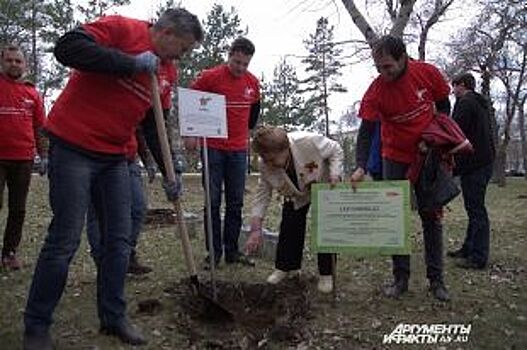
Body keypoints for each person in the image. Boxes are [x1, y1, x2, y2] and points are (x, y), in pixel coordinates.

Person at [23, 9, 203, 350]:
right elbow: (67, 48)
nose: (184, 55)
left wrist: (170, 174)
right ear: (166, 32)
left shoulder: (166, 71)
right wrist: (130, 62)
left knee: (119, 241)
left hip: (116, 156)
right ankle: (36, 325)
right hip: (73, 145)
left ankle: (113, 316)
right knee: (64, 240)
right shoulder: (121, 28)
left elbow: (154, 126)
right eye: (184, 47)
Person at [351, 35, 452, 302]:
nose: (383, 73)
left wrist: (435, 137)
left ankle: (436, 280)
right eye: (378, 68)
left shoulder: (428, 73)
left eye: (388, 67)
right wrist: (361, 165)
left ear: (403, 57)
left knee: (431, 215)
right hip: (393, 157)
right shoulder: (376, 91)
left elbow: (443, 106)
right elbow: (366, 132)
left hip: (428, 154)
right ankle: (400, 278)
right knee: (395, 219)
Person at [86, 62, 178, 276]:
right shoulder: (121, 65)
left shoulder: (166, 72)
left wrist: (155, 164)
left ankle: (125, 255)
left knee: (137, 209)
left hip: (128, 155)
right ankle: (104, 263)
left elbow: (148, 126)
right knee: (98, 213)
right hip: (94, 152)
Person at [185, 37, 261, 268]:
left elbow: (254, 110)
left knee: (236, 202)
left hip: (238, 150)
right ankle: (214, 253)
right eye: (237, 62)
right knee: (213, 201)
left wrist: (248, 134)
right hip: (213, 149)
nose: (240, 68)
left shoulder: (252, 83)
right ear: (230, 55)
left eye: (245, 64)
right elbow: (190, 101)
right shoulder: (210, 77)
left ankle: (231, 250)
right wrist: (190, 133)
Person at [245, 126, 343, 293]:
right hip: (294, 193)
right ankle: (286, 267)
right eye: (265, 159)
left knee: (325, 228)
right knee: (290, 225)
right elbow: (263, 194)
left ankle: (326, 273)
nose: (269, 164)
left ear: (286, 149)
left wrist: (335, 173)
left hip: (323, 184)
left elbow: (336, 150)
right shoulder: (265, 164)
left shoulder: (308, 141)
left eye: (273, 159)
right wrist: (256, 228)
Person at [0, 45, 47, 270]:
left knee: (18, 209)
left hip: (23, 159)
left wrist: (44, 155)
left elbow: (40, 127)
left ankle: (9, 253)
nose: (14, 64)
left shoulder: (33, 93)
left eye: (18, 61)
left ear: (25, 65)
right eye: (9, 60)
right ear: (3, 63)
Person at [447, 72, 495, 269]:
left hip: (474, 164)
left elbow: (453, 131)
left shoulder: (465, 103)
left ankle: (478, 257)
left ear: (463, 85)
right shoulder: (480, 103)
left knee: (476, 210)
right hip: (483, 162)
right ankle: (468, 248)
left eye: (455, 86)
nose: (452, 90)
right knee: (473, 208)